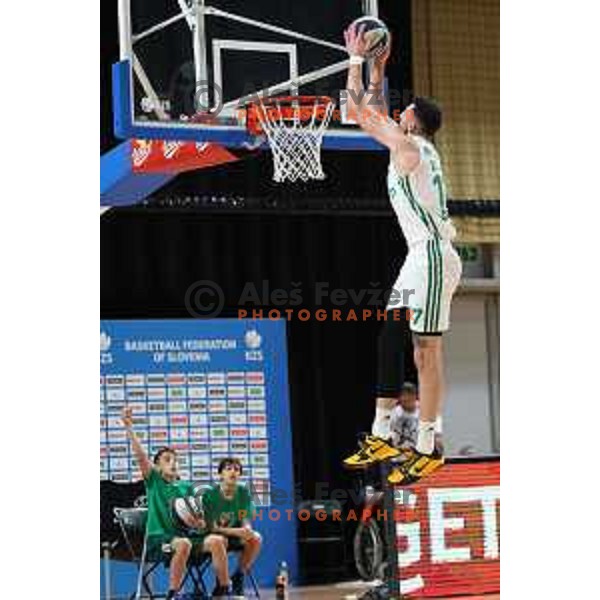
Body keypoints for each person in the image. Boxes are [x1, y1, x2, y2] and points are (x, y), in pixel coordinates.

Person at [342, 23, 462, 485]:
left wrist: (358, 59)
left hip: (432, 254)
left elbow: (360, 115)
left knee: (425, 352)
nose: (398, 112)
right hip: (420, 256)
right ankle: (383, 431)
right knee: (390, 335)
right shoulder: (408, 144)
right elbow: (369, 111)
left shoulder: (410, 148)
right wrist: (375, 71)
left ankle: (429, 443)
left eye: (403, 110)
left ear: (412, 121)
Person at [121, 407, 232, 599]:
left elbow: (198, 517)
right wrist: (129, 427)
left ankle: (223, 589)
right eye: (167, 460)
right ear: (157, 466)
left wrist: (202, 523)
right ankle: (173, 594)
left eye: (175, 460)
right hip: (158, 541)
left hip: (184, 537)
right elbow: (141, 457)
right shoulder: (154, 482)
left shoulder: (186, 487)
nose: (173, 463)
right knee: (183, 544)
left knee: (217, 540)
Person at [202, 457, 262, 599]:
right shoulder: (210, 495)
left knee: (256, 538)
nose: (233, 472)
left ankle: (238, 576)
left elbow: (245, 518)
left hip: (235, 534)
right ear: (221, 474)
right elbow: (212, 528)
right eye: (228, 469)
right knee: (220, 540)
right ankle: (221, 582)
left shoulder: (243, 493)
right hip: (215, 536)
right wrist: (237, 531)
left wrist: (247, 529)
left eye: (236, 469)